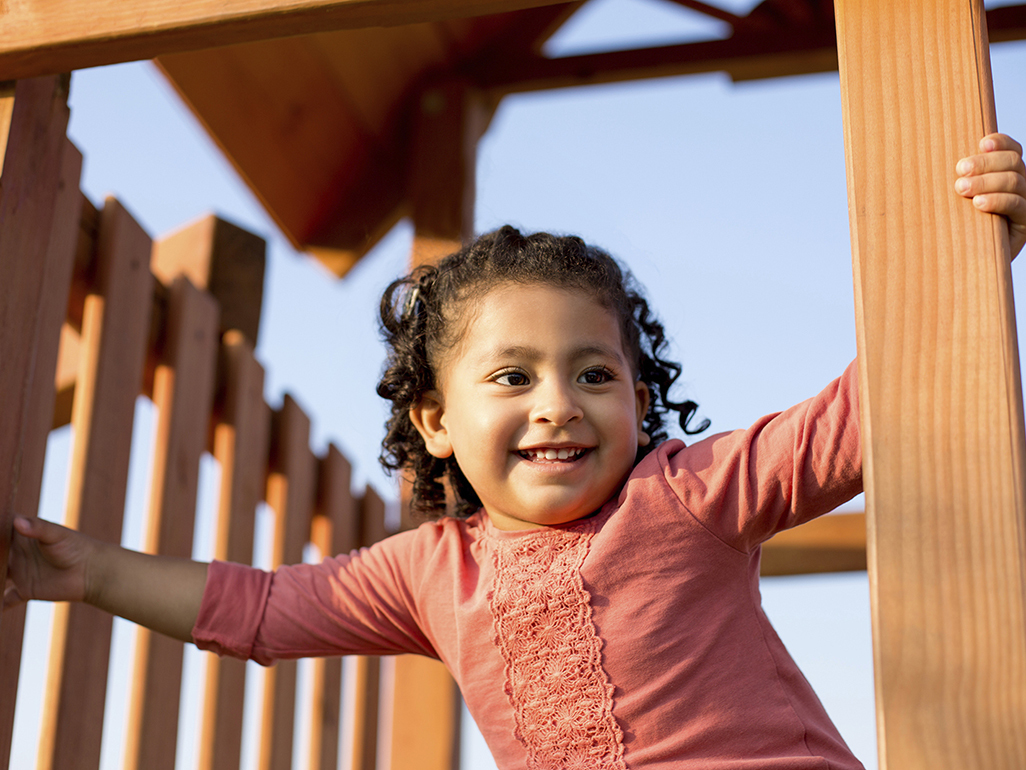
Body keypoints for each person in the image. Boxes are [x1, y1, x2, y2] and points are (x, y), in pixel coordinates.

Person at [6, 135, 1026, 769]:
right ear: (435, 421)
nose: (559, 405)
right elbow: (259, 608)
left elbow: (863, 414)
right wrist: (89, 569)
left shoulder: (690, 494)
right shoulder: (429, 572)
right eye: (512, 376)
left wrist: (973, 255)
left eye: (594, 373)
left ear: (638, 395)